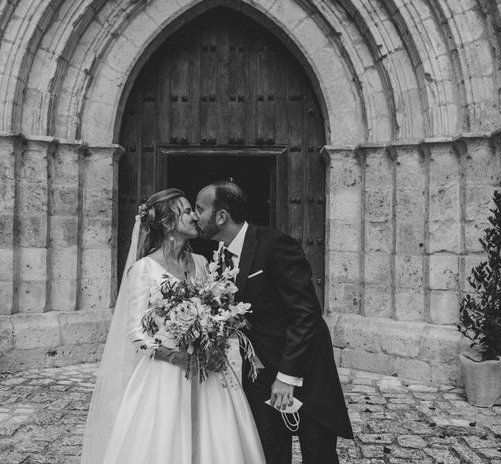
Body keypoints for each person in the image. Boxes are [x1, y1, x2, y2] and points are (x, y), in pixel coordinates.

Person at [80, 188, 266, 464]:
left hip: (208, 370)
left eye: (193, 210)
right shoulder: (144, 269)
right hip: (165, 372)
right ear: (168, 223)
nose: (194, 217)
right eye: (187, 210)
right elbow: (136, 332)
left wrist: (215, 344)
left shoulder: (203, 263)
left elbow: (219, 314)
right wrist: (175, 355)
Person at [195, 181, 353, 464]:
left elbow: (305, 313)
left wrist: (287, 377)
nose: (196, 216)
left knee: (319, 456)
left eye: (200, 209)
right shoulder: (219, 258)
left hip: (303, 368)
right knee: (268, 452)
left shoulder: (275, 245)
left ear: (221, 216)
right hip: (259, 374)